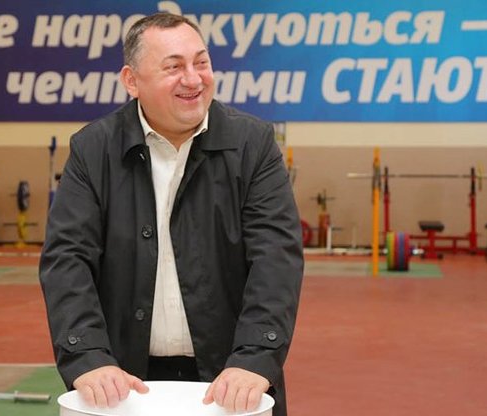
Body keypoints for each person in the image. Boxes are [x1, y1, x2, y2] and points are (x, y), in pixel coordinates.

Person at [39, 13, 303, 416]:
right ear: (132, 81)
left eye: (201, 62)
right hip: (124, 385)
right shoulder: (93, 150)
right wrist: (87, 356)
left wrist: (255, 358)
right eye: (174, 67)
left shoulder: (253, 146)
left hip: (231, 382)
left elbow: (275, 258)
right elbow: (67, 259)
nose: (194, 79)